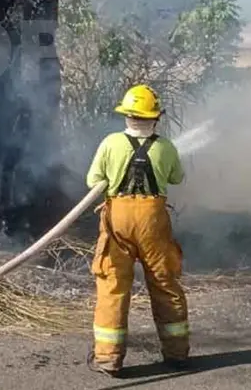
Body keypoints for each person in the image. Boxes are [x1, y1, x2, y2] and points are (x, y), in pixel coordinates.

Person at [85, 84, 189, 377]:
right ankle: (177, 353)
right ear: (156, 117)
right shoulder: (166, 147)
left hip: (117, 219)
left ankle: (108, 357)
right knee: (164, 283)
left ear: (127, 115)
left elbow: (93, 181)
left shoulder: (110, 143)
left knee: (113, 284)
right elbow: (177, 178)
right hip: (153, 220)